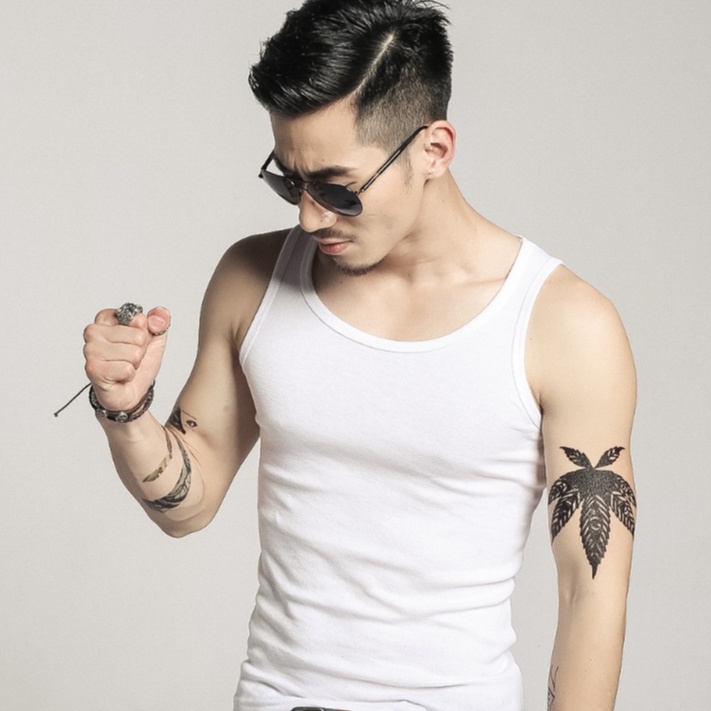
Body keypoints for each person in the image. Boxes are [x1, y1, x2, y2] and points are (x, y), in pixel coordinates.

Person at [82, 1, 637, 709]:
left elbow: (590, 590)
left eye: (338, 189)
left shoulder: (564, 325)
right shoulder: (252, 279)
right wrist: (125, 410)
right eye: (290, 180)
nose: (309, 215)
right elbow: (185, 508)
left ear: (434, 150)